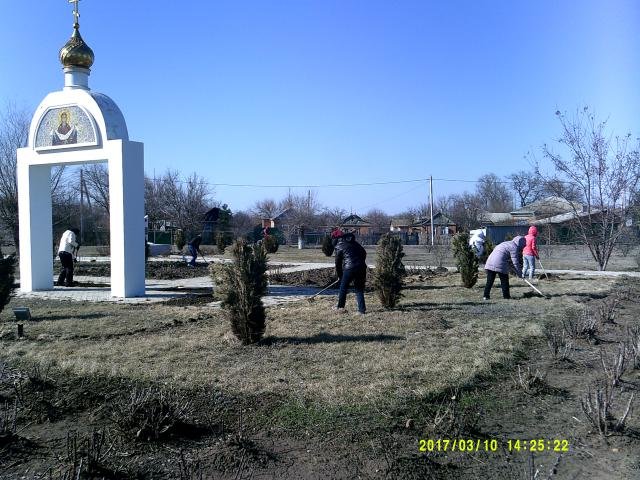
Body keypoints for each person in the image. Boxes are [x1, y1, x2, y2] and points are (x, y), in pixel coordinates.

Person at [334, 231, 367, 315]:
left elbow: (338, 263)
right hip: (362, 268)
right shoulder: (358, 245)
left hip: (349, 268)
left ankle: (340, 307)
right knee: (359, 289)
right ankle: (361, 310)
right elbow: (364, 253)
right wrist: (360, 262)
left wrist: (340, 276)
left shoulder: (340, 246)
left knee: (343, 287)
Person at [482, 236, 526, 300]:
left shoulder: (506, 243)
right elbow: (515, 262)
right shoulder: (514, 247)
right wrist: (520, 273)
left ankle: (485, 296)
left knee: (489, 281)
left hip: (490, 261)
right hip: (500, 263)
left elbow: (503, 254)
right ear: (520, 244)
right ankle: (506, 296)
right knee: (504, 280)